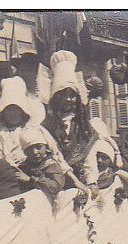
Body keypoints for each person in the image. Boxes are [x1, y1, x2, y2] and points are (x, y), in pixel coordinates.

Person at [42, 50, 100, 193]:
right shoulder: (47, 125)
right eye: (64, 95)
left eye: (72, 95)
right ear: (56, 97)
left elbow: (89, 156)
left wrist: (92, 181)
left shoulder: (83, 126)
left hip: (81, 184)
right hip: (55, 184)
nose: (68, 99)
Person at [0, 76, 62, 169]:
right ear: (3, 112)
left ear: (23, 111)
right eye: (9, 110)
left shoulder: (35, 129)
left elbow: (55, 154)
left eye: (16, 110)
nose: (12, 114)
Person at [16, 127, 66, 196]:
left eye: (39, 147)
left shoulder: (51, 164)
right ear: (24, 152)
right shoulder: (22, 167)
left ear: (45, 147)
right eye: (29, 149)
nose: (35, 152)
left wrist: (30, 180)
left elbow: (55, 187)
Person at [10, 51, 49, 125]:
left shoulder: (43, 97)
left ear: (36, 73)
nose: (26, 74)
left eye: (30, 71)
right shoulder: (12, 93)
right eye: (23, 70)